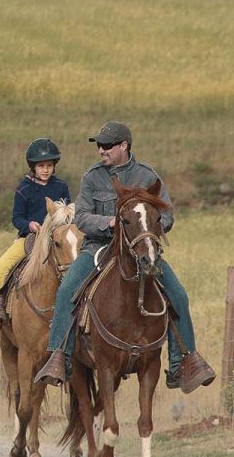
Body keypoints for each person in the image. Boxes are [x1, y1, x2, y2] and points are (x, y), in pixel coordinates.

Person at [34, 121, 216, 393]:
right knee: (67, 291)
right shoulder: (92, 177)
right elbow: (81, 217)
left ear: (124, 146)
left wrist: (147, 232)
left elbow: (166, 215)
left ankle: (184, 362)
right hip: (98, 247)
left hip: (140, 249)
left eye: (106, 146)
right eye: (98, 146)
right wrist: (109, 223)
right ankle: (60, 357)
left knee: (178, 295)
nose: (101, 151)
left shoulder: (147, 177)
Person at [0, 137, 70, 327]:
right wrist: (30, 225)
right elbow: (17, 218)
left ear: (54, 166)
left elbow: (67, 212)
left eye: (49, 165)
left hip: (56, 237)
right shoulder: (24, 188)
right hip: (31, 237)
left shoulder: (61, 187)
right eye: (41, 166)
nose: (45, 170)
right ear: (33, 167)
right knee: (4, 262)